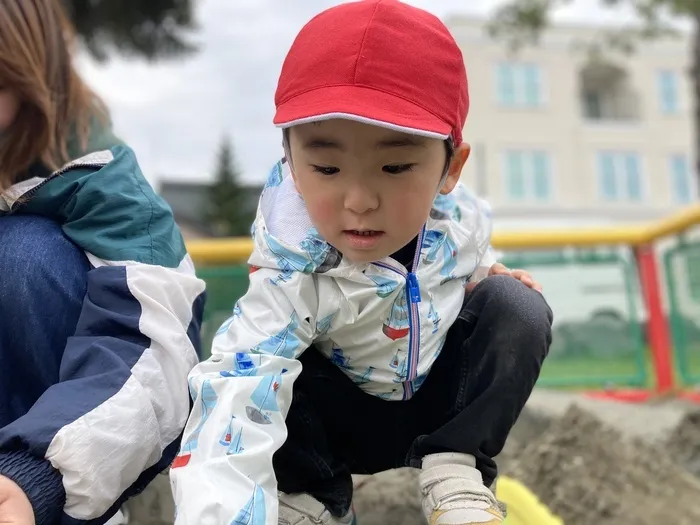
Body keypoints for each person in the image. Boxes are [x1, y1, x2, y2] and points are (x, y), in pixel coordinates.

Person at [170, 1, 552, 524]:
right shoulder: (292, 272)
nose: (359, 200)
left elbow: (475, 262)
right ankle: (311, 499)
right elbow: (238, 387)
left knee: (519, 307)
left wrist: (489, 279)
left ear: (451, 168)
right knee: (264, 372)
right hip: (336, 426)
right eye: (326, 167)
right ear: (291, 164)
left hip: (434, 412)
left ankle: (456, 468)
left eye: (394, 166)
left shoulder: (458, 222)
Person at [0, 1, 206, 525]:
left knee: (24, 255)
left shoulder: (94, 172)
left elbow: (155, 341)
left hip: (47, 455)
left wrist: (42, 475)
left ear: (30, 83)